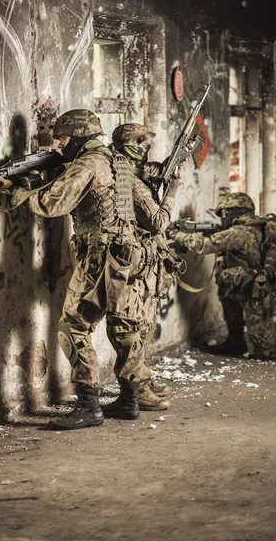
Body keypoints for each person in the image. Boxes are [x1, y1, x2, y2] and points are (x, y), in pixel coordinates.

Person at [0, 109, 181, 429]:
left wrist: (15, 191)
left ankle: (88, 405)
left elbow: (54, 204)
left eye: (63, 139)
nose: (58, 145)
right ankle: (130, 398)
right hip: (127, 254)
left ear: (79, 136)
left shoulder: (89, 162)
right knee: (123, 325)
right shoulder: (116, 160)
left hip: (101, 254)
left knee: (73, 326)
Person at [111, 123, 184, 410]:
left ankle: (142, 379)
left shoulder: (134, 175)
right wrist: (173, 189)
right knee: (128, 326)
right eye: (139, 141)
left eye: (146, 141)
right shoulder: (128, 180)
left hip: (145, 263)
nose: (145, 146)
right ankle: (136, 390)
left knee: (143, 326)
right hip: (131, 263)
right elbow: (157, 222)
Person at [174, 193, 276, 359]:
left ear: (233, 212)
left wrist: (178, 236)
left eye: (224, 214)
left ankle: (264, 346)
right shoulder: (257, 227)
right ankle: (235, 343)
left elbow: (206, 245)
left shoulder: (239, 231)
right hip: (243, 285)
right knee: (227, 296)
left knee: (265, 350)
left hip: (256, 290)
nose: (222, 219)